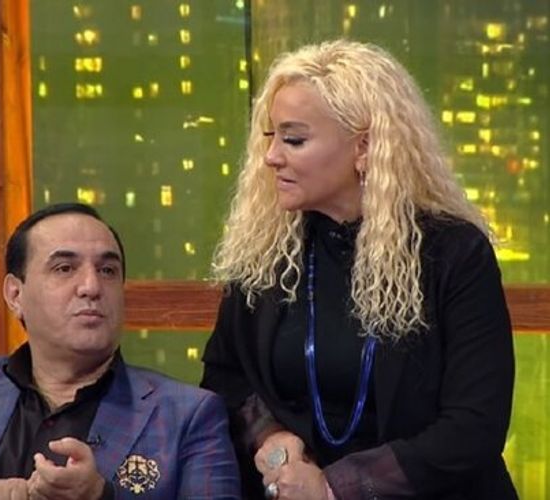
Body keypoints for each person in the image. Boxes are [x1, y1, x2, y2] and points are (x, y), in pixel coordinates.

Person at [200, 39, 517, 499]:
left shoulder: (454, 253)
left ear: (364, 147)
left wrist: (333, 488)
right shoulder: (267, 251)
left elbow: (474, 426)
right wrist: (272, 440)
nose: (271, 157)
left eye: (294, 140)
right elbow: (225, 378)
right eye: (271, 138)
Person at [0, 202, 240, 499]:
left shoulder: (188, 415)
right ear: (15, 294)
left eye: (108, 271)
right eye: (64, 268)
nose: (91, 286)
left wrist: (103, 496)